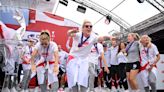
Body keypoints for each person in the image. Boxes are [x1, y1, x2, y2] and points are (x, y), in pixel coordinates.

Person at [66, 20, 111, 92]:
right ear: (82, 28)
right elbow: (69, 34)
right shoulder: (78, 35)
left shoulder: (93, 37)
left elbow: (101, 38)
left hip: (84, 60)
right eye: (87, 26)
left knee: (83, 79)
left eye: (91, 26)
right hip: (73, 59)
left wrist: (109, 37)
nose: (89, 28)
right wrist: (70, 32)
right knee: (74, 79)